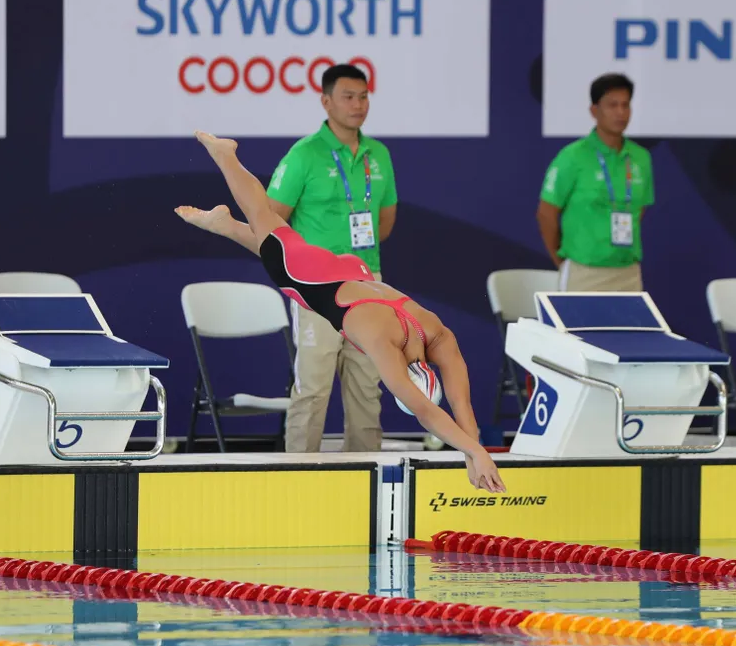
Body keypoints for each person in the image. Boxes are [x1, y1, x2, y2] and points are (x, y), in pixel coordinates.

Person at [176, 131, 505, 494]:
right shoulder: (384, 344)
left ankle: (224, 225)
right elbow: (428, 413)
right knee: (263, 216)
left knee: (278, 247)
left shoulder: (438, 334)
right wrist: (475, 452)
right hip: (314, 279)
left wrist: (474, 453)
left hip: (354, 271)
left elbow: (461, 403)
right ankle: (226, 156)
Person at [266, 64, 398, 454]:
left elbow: (385, 220)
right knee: (313, 385)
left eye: (364, 96)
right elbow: (271, 219)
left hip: (368, 282)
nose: (358, 105)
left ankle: (366, 473)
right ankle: (298, 474)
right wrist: (305, 264)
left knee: (367, 385)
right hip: (317, 285)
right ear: (326, 102)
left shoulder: (379, 154)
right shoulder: (305, 154)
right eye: (348, 97)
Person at [537, 73, 655, 291]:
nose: (620, 112)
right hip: (584, 271)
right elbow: (546, 213)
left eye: (625, 105)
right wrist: (563, 261)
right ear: (594, 111)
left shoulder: (641, 158)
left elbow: (639, 210)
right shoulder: (573, 157)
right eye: (612, 105)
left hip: (628, 272)